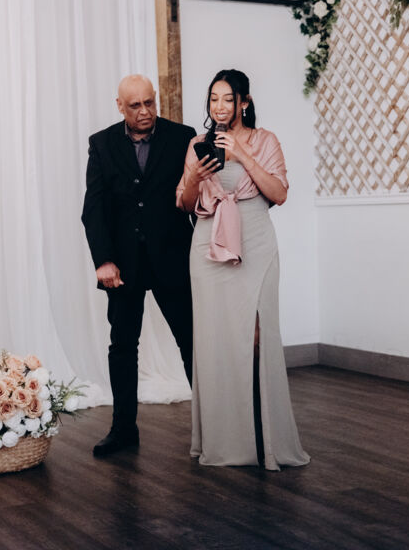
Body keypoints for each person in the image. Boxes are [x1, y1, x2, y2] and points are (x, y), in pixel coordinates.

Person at [177, 69, 310, 471]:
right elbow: (184, 203)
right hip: (207, 245)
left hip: (255, 241)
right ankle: (223, 441)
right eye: (213, 98)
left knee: (256, 336)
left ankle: (262, 439)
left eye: (227, 99)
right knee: (213, 340)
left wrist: (241, 154)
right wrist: (194, 178)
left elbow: (279, 194)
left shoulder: (265, 140)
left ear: (244, 102)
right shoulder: (197, 144)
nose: (219, 106)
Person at [82, 74, 196, 456]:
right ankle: (123, 429)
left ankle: (213, 424)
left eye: (150, 102)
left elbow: (196, 196)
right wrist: (104, 260)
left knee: (191, 340)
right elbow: (94, 209)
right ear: (120, 106)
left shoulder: (182, 137)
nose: (145, 111)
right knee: (122, 346)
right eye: (135, 105)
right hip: (123, 264)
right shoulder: (101, 144)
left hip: (172, 258)